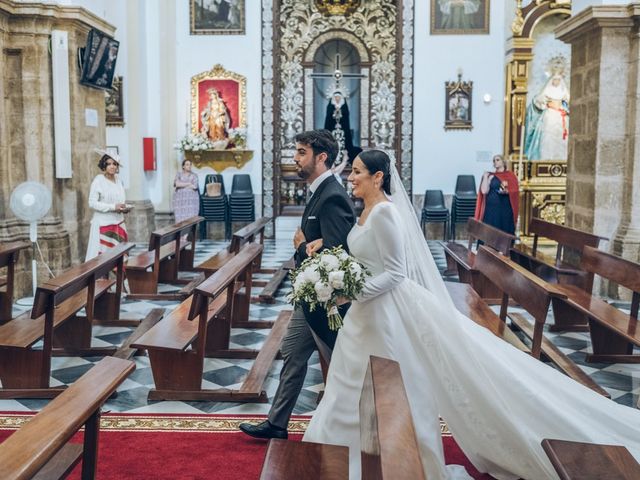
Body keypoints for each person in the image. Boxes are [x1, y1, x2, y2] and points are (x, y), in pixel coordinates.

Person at [302, 149, 640, 480]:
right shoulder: (365, 212)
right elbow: (365, 256)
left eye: (358, 171)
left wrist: (354, 291)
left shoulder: (387, 214)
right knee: (350, 383)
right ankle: (339, 457)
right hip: (365, 313)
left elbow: (395, 273)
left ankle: (396, 462)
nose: (351, 177)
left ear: (378, 177)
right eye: (352, 171)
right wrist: (333, 261)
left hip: (385, 313)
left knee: (394, 388)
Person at [239, 130, 355, 440]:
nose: (295, 158)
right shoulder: (320, 190)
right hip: (311, 295)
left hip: (328, 300)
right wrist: (306, 248)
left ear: (321, 158)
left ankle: (354, 423)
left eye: (301, 152)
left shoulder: (332, 195)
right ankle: (277, 423)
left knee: (344, 362)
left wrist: (303, 247)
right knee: (292, 352)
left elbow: (338, 250)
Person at [85, 149, 130, 261]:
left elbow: (120, 201)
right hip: (103, 225)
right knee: (102, 260)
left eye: (115, 164)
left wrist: (123, 208)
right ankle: (102, 279)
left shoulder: (119, 181)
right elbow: (92, 203)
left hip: (118, 223)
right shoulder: (98, 180)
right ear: (104, 165)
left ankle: (119, 279)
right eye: (109, 164)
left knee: (120, 259)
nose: (112, 166)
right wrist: (113, 207)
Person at [524, 73, 570, 160]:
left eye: (558, 80)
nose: (556, 82)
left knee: (561, 137)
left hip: (560, 116)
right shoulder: (547, 90)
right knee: (548, 136)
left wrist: (565, 109)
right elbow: (538, 100)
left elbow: (569, 100)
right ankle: (546, 158)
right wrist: (544, 102)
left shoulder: (564, 91)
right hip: (550, 115)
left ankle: (562, 158)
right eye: (555, 79)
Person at [474, 154, 519, 235]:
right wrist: (485, 177)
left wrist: (508, 191)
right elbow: (484, 191)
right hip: (491, 209)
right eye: (494, 160)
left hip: (505, 209)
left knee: (503, 230)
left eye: (497, 160)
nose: (495, 162)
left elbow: (515, 190)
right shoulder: (490, 176)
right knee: (490, 231)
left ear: (503, 162)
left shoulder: (510, 175)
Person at [324, 90, 361, 164]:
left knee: (345, 142)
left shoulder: (344, 105)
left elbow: (346, 116)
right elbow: (328, 117)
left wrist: (340, 112)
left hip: (343, 129)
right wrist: (334, 112)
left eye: (338, 97)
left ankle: (345, 159)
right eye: (336, 97)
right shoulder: (331, 105)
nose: (337, 98)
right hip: (332, 129)